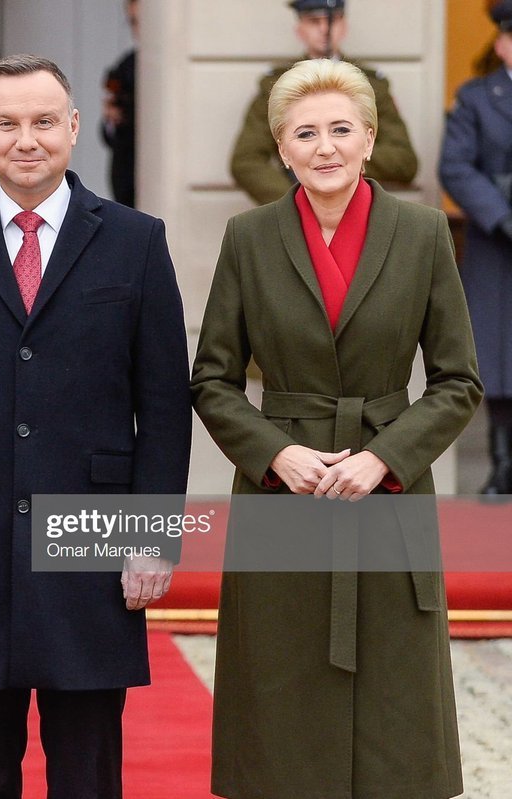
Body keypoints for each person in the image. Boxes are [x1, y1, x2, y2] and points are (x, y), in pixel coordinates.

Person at [0, 54, 190, 798]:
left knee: (87, 768)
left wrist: (152, 536)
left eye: (44, 121)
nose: (27, 139)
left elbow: (164, 405)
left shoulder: (135, 240)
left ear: (74, 128)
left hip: (92, 537)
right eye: (8, 123)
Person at [191, 59, 480, 798]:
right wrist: (275, 453)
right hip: (281, 491)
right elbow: (213, 378)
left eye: (341, 129)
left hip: (388, 489)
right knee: (280, 689)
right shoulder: (250, 238)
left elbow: (458, 381)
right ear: (282, 149)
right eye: (305, 134)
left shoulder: (422, 234)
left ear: (370, 139)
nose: (325, 147)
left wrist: (385, 458)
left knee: (393, 699)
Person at [229, 0, 418, 206]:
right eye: (314, 21)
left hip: (358, 207)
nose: (324, 29)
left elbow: (404, 161)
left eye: (332, 21)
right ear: (300, 30)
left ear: (344, 26)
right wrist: (294, 203)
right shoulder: (276, 86)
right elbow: (246, 160)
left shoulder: (372, 85)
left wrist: (343, 162)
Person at [439, 0, 512, 497]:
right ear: (502, 44)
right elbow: (456, 166)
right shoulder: (476, 98)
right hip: (498, 246)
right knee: (501, 359)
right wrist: (502, 217)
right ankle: (503, 464)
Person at [101, 0, 137, 207]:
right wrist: (113, 120)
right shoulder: (126, 66)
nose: (137, 30)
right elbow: (109, 133)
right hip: (127, 179)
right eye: (133, 22)